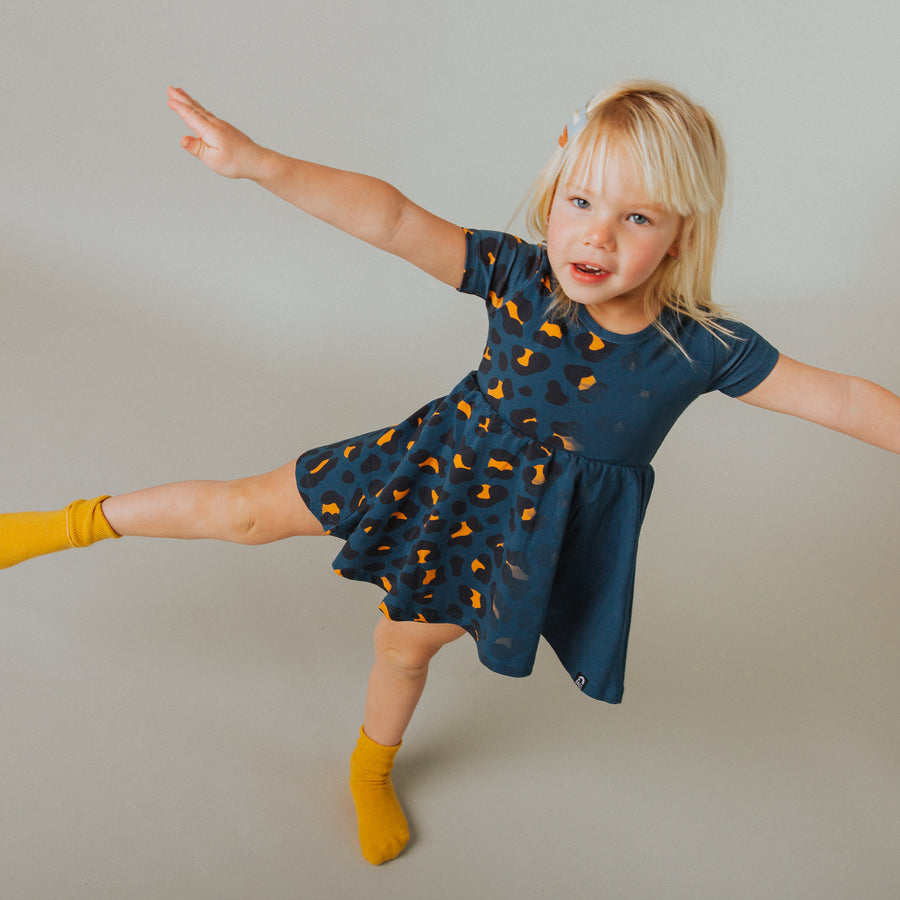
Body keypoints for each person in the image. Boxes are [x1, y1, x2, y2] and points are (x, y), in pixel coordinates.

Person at [2, 83, 898, 865]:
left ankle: (369, 769)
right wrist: (259, 162)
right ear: (552, 194)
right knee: (243, 513)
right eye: (580, 201)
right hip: (422, 467)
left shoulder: (696, 347)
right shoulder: (517, 276)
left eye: (636, 216)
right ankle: (62, 524)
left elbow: (851, 402)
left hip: (506, 535)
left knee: (403, 647)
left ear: (678, 234)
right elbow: (389, 217)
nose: (596, 235)